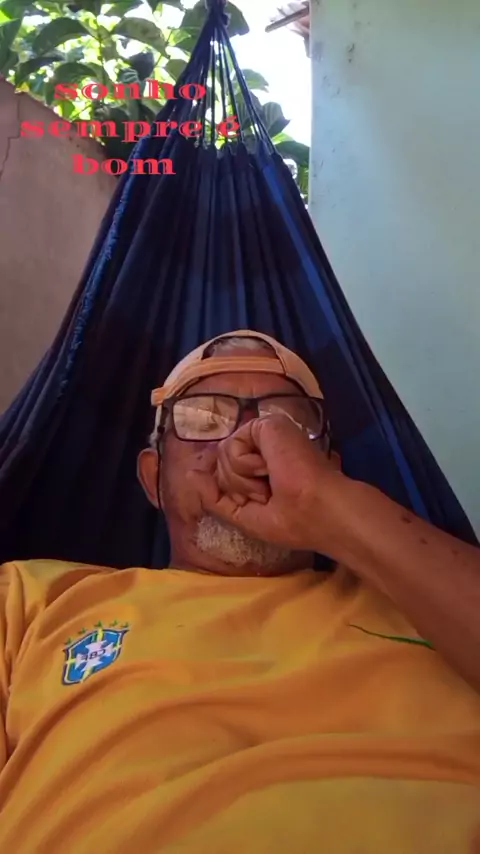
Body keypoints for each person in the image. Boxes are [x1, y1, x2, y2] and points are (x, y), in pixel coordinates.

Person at [0, 329, 479, 853]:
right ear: (153, 476)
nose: (244, 444)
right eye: (203, 419)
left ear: (330, 471)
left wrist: (329, 505)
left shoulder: (425, 591)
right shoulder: (35, 598)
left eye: (287, 425)